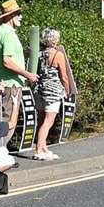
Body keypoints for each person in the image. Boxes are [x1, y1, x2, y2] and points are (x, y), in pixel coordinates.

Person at [0, 0, 37, 139]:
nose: (21, 16)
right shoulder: (9, 33)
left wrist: (23, 53)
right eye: (18, 13)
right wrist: (27, 74)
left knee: (1, 121)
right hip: (11, 84)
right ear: (9, 16)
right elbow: (7, 61)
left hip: (2, 82)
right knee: (8, 122)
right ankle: (0, 154)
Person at [32, 28, 76, 161]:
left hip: (39, 90)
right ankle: (39, 149)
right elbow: (64, 76)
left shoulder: (39, 54)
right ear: (55, 40)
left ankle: (43, 146)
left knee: (41, 120)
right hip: (53, 92)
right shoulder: (58, 55)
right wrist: (68, 90)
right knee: (48, 121)